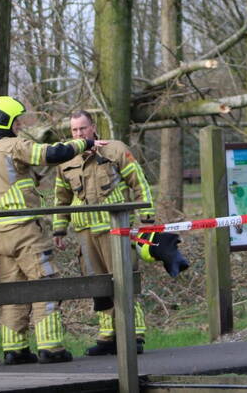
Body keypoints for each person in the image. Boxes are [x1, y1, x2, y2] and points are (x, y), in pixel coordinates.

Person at [0, 95, 100, 365]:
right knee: (45, 283)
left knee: (12, 290)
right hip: (25, 230)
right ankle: (51, 347)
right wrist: (85, 142)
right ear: (4, 121)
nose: (18, 126)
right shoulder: (13, 146)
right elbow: (51, 154)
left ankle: (15, 349)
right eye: (15, 121)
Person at [52, 110, 155, 356]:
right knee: (98, 286)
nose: (78, 134)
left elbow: (139, 183)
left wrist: (148, 219)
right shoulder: (66, 158)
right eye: (74, 130)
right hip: (85, 233)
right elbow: (61, 197)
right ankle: (108, 336)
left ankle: (133, 333)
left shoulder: (115, 149)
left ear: (93, 127)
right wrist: (59, 228)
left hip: (116, 230)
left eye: (83, 129)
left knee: (124, 279)